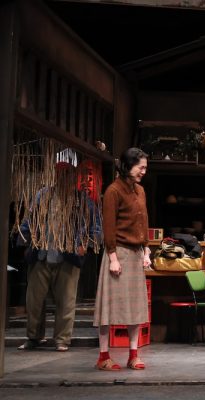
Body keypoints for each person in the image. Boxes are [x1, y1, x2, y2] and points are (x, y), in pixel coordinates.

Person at [17, 161, 102, 352]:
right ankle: (33, 337)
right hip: (42, 254)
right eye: (60, 174)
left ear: (74, 177)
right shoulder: (43, 195)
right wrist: (26, 241)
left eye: (68, 175)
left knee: (66, 301)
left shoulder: (82, 200)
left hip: (68, 257)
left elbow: (96, 227)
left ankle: (62, 339)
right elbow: (29, 219)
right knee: (34, 301)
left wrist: (85, 245)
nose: (63, 179)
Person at [93, 148, 151, 371]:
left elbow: (144, 221)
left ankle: (133, 355)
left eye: (145, 168)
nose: (143, 171)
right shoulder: (113, 191)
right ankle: (103, 356)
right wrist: (113, 257)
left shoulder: (140, 191)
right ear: (128, 166)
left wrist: (146, 250)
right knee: (108, 308)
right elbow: (109, 226)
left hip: (136, 254)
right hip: (118, 252)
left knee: (135, 308)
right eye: (140, 167)